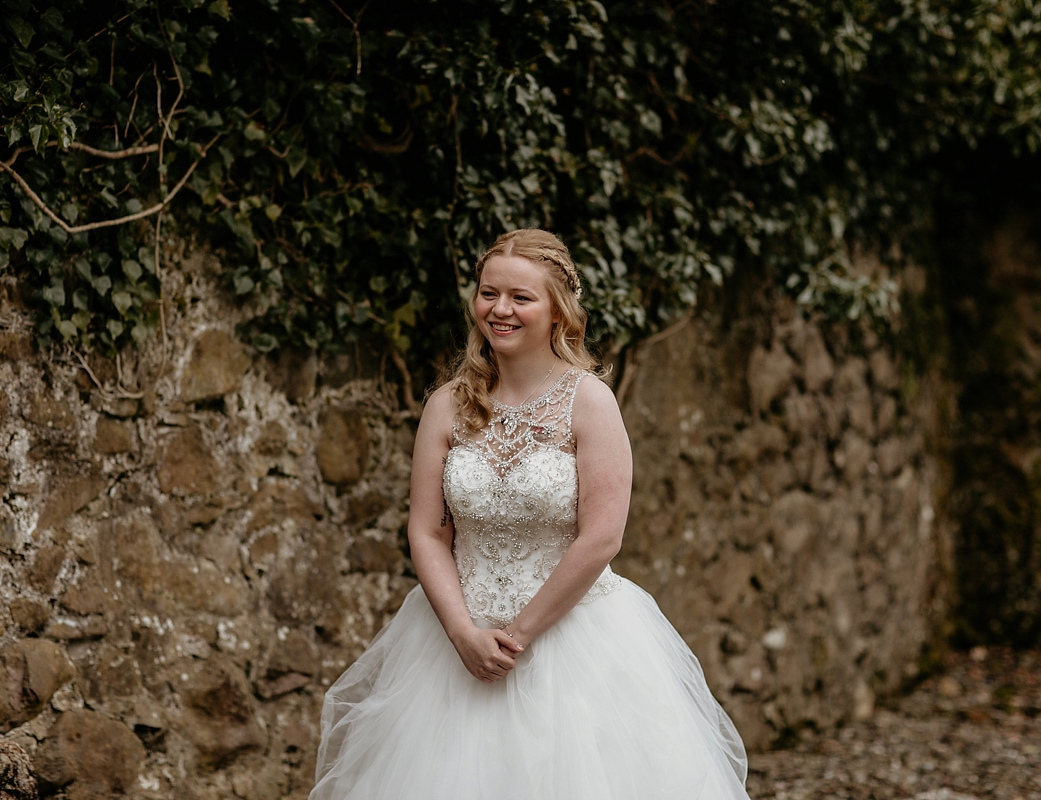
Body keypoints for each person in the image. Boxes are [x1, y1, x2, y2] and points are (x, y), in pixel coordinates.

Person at [309, 229, 750, 799]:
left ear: (557, 311)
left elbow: (601, 538)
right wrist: (465, 633)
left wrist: (514, 637)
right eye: (489, 293)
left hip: (574, 639)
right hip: (453, 641)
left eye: (521, 297)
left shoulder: (588, 401)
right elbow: (425, 531)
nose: (500, 309)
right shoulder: (447, 405)